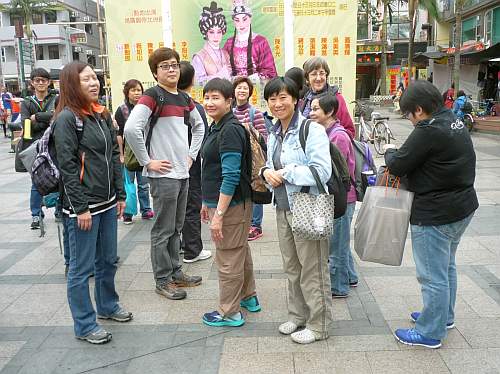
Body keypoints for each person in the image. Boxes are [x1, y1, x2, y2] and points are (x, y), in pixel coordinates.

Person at [384, 80, 478, 349]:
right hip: (462, 207)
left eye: (408, 114)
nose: (409, 120)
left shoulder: (427, 129)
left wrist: (391, 152)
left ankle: (430, 332)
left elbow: (399, 164)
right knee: (446, 266)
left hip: (436, 213)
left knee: (432, 275)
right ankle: (442, 316)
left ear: (420, 109)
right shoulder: (452, 119)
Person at [53, 61, 133, 344]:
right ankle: (85, 325)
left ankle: (108, 306)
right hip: (82, 209)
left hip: (108, 203)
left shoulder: (100, 114)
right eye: (86, 79)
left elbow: (114, 156)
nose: (94, 83)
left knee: (108, 260)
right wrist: (80, 208)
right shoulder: (66, 119)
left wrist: (121, 194)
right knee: (80, 268)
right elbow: (68, 168)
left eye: (95, 78)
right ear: (72, 84)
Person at [124, 48, 205, 300]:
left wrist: (191, 155)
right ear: (155, 72)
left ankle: (175, 272)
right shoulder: (151, 96)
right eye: (165, 66)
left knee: (177, 227)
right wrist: (148, 162)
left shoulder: (182, 98)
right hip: (164, 176)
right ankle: (162, 279)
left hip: (182, 174)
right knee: (162, 230)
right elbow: (130, 129)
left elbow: (199, 125)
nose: (171, 70)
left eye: (174, 65)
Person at [261, 77, 332, 344]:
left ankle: (320, 324)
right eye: (272, 99)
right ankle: (297, 315)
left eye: (283, 97)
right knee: (292, 266)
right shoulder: (274, 133)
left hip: (309, 206)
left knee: (313, 269)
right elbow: (269, 165)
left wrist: (286, 172)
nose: (278, 104)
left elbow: (322, 171)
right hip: (283, 207)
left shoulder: (311, 130)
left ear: (295, 99)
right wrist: (266, 171)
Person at [200, 77, 260, 327]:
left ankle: (229, 312)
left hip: (232, 205)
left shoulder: (230, 130)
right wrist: (206, 201)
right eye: (207, 97)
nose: (210, 102)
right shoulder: (217, 126)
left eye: (216, 97)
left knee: (227, 258)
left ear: (229, 101)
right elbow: (212, 169)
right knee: (238, 251)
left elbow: (231, 175)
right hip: (225, 202)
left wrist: (219, 215)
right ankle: (248, 298)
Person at [309, 94, 358, 297]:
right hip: (339, 197)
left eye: (316, 109)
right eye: (311, 109)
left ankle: (338, 287)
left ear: (329, 112)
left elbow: (335, 172)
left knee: (336, 246)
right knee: (341, 241)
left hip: (342, 199)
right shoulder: (327, 132)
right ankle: (351, 276)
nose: (311, 113)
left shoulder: (337, 136)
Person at [178, 61, 212, 263]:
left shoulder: (167, 104)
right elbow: (203, 137)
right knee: (191, 206)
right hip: (191, 164)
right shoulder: (194, 107)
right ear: (191, 80)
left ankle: (182, 245)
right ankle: (192, 250)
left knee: (178, 207)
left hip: (171, 164)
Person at [20, 68, 58, 230]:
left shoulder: (56, 98)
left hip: (54, 144)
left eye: (44, 80)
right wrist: (47, 118)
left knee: (58, 178)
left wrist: (37, 117)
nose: (41, 83)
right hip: (35, 147)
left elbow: (58, 117)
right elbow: (26, 126)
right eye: (37, 80)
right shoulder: (26, 102)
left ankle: (59, 211)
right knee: (36, 181)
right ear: (32, 83)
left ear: (49, 82)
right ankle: (36, 214)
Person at [114, 79, 154, 224]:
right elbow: (119, 134)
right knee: (128, 184)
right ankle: (128, 213)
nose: (137, 93)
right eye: (133, 90)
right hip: (129, 153)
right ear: (127, 92)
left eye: (139, 90)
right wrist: (121, 154)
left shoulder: (146, 108)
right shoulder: (122, 109)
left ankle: (146, 210)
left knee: (144, 184)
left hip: (144, 151)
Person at [232, 76, 267, 241]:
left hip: (253, 159)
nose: (242, 90)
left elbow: (263, 137)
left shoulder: (255, 112)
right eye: (239, 87)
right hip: (237, 159)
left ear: (250, 92)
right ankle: (244, 221)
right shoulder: (230, 113)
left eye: (245, 88)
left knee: (256, 189)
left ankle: (256, 225)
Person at [300, 57, 355, 139]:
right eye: (314, 74)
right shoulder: (305, 99)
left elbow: (349, 130)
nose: (318, 78)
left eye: (322, 73)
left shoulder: (337, 98)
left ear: (326, 75)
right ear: (307, 78)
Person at [223, 1, 277, 80]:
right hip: (234, 86)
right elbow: (223, 68)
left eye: (244, 19)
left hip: (255, 87)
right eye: (237, 20)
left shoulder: (260, 42)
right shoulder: (229, 43)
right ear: (233, 22)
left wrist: (252, 78)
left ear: (250, 19)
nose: (241, 24)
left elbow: (270, 72)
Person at [192, 1, 231, 85]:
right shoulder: (199, 57)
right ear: (206, 33)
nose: (216, 36)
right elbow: (197, 83)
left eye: (219, 32)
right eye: (211, 32)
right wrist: (219, 76)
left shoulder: (226, 54)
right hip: (210, 96)